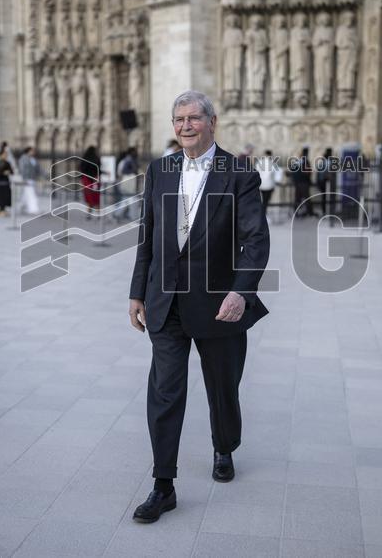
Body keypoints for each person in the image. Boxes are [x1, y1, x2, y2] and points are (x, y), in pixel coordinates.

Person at [128, 90, 270, 523]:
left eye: (193, 118)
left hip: (218, 302)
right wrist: (137, 292)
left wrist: (240, 292)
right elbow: (147, 237)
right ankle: (163, 485)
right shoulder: (160, 170)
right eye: (178, 120)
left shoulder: (239, 173)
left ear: (212, 122)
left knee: (222, 386)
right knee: (165, 392)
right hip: (165, 302)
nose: (184, 126)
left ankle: (224, 447)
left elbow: (256, 239)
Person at [256, 149, 284, 219]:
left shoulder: (259, 162)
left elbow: (256, 173)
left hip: (261, 185)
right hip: (269, 185)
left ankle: (262, 214)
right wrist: (277, 181)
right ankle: (264, 215)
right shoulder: (273, 163)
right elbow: (278, 173)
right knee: (266, 201)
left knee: (262, 200)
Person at [17, 146, 42, 215]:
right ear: (28, 151)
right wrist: (24, 178)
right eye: (32, 151)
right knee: (31, 194)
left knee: (25, 194)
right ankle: (33, 209)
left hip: (33, 178)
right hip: (27, 179)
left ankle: (22, 207)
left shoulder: (33, 159)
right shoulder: (23, 158)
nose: (33, 152)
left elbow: (38, 169)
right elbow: (22, 169)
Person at [290, 147, 315, 217]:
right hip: (304, 182)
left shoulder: (297, 161)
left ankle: (296, 212)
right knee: (307, 198)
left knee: (297, 198)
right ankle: (310, 212)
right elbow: (308, 172)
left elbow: (292, 170)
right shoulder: (305, 161)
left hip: (297, 182)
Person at [79, 145, 101, 218]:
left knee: (89, 197)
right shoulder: (96, 158)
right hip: (95, 179)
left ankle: (89, 214)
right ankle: (98, 214)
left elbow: (81, 169)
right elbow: (98, 169)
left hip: (86, 180)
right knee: (96, 197)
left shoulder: (85, 158)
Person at [315, 147, 336, 216]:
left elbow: (319, 172)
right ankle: (327, 211)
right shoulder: (328, 161)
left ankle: (325, 211)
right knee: (328, 197)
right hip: (326, 182)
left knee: (324, 197)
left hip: (323, 181)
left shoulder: (323, 161)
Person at [0, 151, 13, 216]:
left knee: (6, 196)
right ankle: (1, 210)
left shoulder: (7, 163)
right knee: (1, 196)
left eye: (6, 155)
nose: (5, 156)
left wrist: (9, 172)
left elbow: (12, 171)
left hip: (6, 181)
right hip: (0, 181)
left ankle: (4, 209)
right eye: (4, 154)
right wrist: (2, 172)